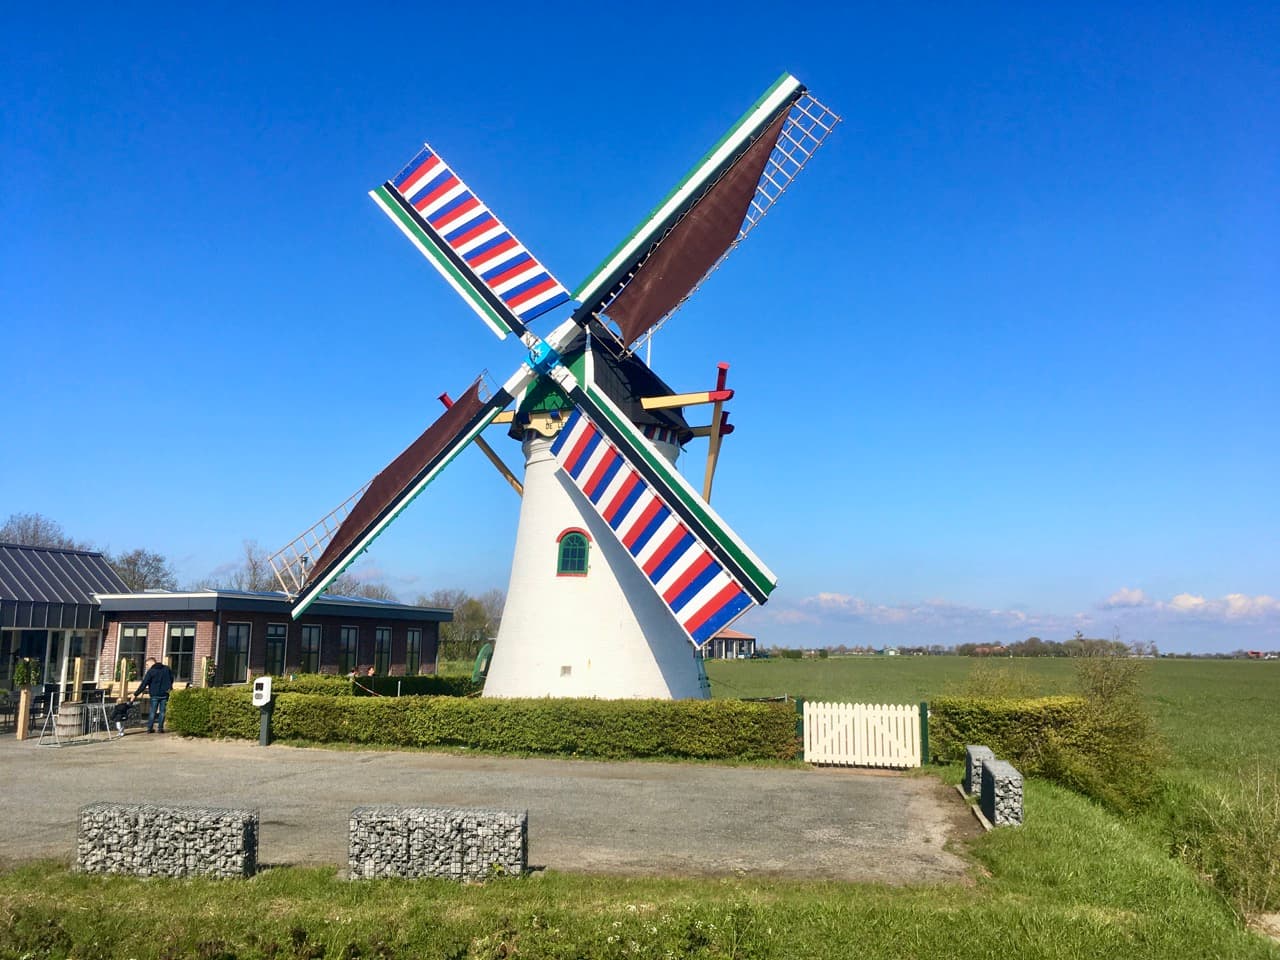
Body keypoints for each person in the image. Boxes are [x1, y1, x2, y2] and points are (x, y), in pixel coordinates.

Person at [132, 657, 175, 734]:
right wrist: (168, 687)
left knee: (152, 711)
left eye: (147, 664)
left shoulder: (151, 671)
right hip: (165, 693)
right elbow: (171, 678)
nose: (146, 666)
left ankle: (149, 728)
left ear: (152, 662)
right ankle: (160, 728)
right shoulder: (166, 669)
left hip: (154, 694)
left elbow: (144, 684)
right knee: (162, 712)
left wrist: (135, 694)